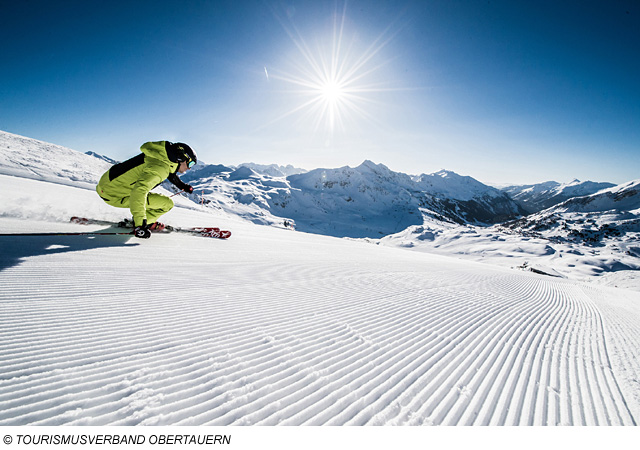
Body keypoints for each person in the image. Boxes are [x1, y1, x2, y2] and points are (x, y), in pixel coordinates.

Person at [96, 141, 197, 239]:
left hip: (107, 184)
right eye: (190, 164)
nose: (189, 168)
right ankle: (142, 223)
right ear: (182, 158)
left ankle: (144, 221)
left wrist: (181, 185)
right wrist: (140, 225)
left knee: (151, 199)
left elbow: (169, 172)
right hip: (114, 194)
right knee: (167, 204)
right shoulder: (160, 169)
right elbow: (139, 191)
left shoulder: (162, 157)